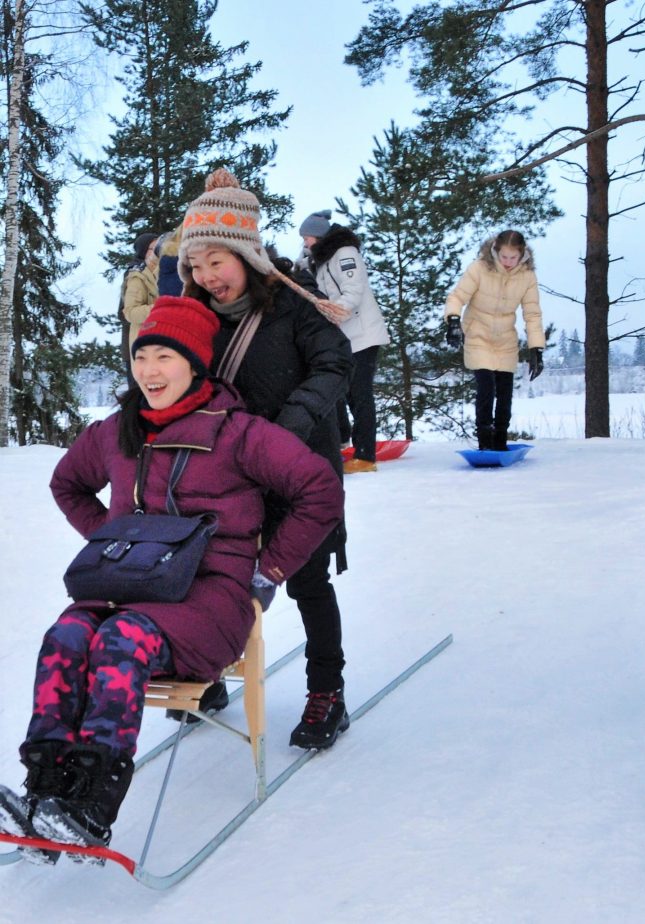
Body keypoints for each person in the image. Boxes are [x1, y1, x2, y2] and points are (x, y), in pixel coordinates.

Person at [0, 296, 343, 861]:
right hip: (126, 583)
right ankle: (45, 796)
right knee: (63, 638)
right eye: (142, 357)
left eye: (164, 356)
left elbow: (321, 491)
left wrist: (270, 569)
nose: (150, 371)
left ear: (194, 365)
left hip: (210, 594)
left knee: (119, 640)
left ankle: (92, 809)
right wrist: (110, 540)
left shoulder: (241, 433)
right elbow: (68, 484)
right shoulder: (116, 432)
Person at [179, 169, 355, 750]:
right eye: (195, 266)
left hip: (296, 470)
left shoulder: (292, 303)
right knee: (214, 579)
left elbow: (334, 365)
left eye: (215, 263)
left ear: (246, 253)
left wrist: (285, 433)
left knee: (306, 580)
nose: (206, 277)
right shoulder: (192, 316)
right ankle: (210, 670)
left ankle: (326, 692)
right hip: (223, 479)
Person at [298, 210, 390, 474]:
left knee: (360, 395)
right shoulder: (323, 259)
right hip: (347, 336)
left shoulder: (345, 254)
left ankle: (365, 456)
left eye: (307, 238)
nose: (305, 243)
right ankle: (348, 443)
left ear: (320, 236)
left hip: (363, 334)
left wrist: (329, 316)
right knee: (345, 394)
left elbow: (353, 291)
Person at [444, 230, 546, 450]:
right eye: (504, 257)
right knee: (486, 387)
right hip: (478, 334)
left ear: (522, 255)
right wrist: (453, 320)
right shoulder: (480, 268)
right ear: (496, 252)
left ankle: (500, 440)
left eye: (513, 258)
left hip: (505, 340)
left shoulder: (527, 276)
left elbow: (532, 313)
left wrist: (536, 349)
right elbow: (457, 296)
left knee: (505, 392)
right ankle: (484, 440)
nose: (508, 262)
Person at [118, 232, 159, 376]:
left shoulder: (163, 271)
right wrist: (162, 309)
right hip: (140, 342)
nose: (157, 251)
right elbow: (127, 312)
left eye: (158, 247)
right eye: (151, 248)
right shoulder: (136, 275)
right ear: (143, 251)